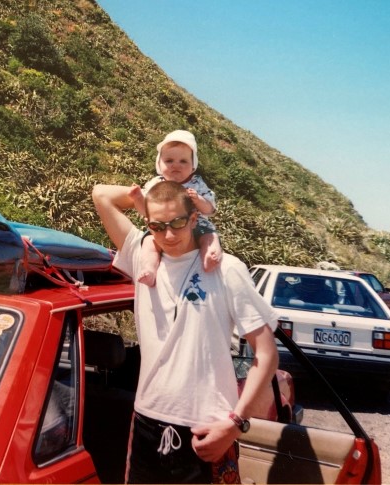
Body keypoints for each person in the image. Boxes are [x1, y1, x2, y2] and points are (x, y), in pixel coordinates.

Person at [91, 180, 279, 484]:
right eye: (157, 226)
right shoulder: (142, 257)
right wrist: (147, 196)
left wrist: (235, 424)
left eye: (178, 222)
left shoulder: (225, 269)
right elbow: (101, 195)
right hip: (146, 424)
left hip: (208, 430)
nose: (168, 235)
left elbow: (267, 356)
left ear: (194, 219)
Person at [120, 130, 222, 286]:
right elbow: (145, 211)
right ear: (159, 164)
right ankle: (149, 269)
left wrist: (198, 200)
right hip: (162, 227)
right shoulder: (155, 184)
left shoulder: (197, 184)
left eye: (183, 161)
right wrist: (138, 198)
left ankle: (210, 256)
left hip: (198, 224)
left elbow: (209, 210)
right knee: (148, 242)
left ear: (193, 165)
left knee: (209, 237)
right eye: (169, 161)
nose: (176, 166)